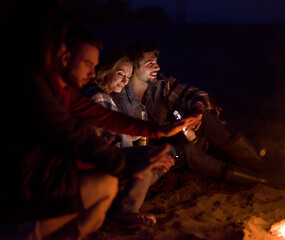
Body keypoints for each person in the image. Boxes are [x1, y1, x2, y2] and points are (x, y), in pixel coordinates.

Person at [0, 2, 199, 239]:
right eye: (60, 44)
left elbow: (106, 118)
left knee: (108, 186)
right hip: (28, 186)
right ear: (43, 43)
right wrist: (128, 167)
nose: (63, 53)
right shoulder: (32, 85)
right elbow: (76, 138)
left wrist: (158, 131)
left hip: (49, 174)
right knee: (106, 184)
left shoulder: (57, 85)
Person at [112, 41, 270, 186]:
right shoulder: (120, 96)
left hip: (180, 139)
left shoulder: (159, 85)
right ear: (134, 67)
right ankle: (257, 180)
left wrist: (197, 111)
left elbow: (193, 94)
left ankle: (261, 167)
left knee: (204, 117)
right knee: (185, 149)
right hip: (159, 155)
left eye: (156, 62)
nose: (157, 67)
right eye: (150, 64)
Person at [80, 50, 168, 226]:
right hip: (113, 159)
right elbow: (108, 139)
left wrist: (133, 136)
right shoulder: (98, 95)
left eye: (128, 77)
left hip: (116, 155)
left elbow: (109, 131)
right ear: (106, 70)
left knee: (160, 157)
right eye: (120, 74)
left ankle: (127, 194)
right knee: (161, 154)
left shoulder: (103, 95)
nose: (125, 81)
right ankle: (125, 207)